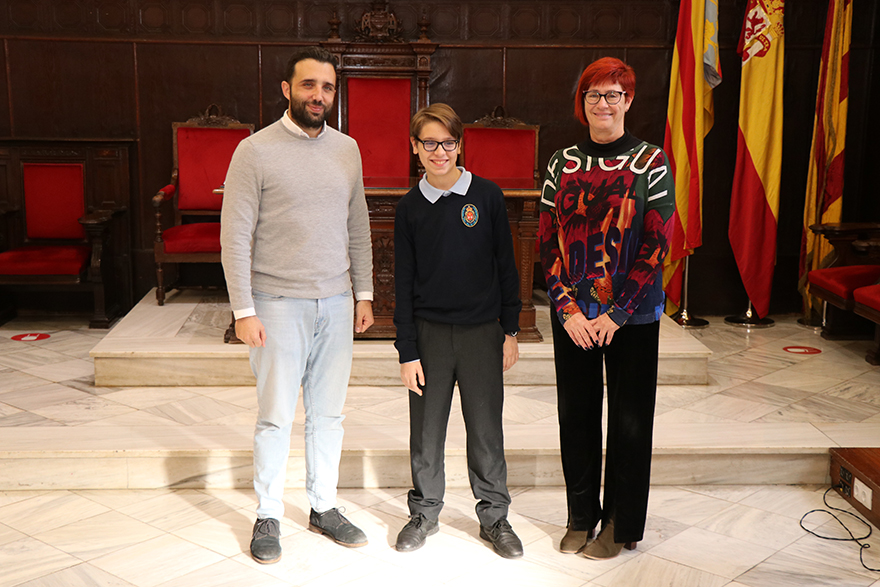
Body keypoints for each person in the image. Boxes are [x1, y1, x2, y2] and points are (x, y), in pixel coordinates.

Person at [220, 46, 374, 564]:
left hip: (335, 300)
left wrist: (363, 293)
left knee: (328, 415)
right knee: (275, 417)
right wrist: (244, 310)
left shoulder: (347, 149)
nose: (318, 95)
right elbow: (234, 236)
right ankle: (268, 512)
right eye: (309, 85)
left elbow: (358, 226)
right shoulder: (254, 150)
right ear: (287, 89)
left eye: (327, 87)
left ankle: (323, 506)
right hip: (276, 302)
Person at [537, 57, 674, 560]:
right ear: (583, 102)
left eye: (613, 94)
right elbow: (547, 241)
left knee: (630, 421)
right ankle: (580, 516)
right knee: (576, 416)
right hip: (574, 315)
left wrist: (616, 312)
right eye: (594, 94)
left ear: (628, 100)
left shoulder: (651, 162)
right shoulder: (562, 163)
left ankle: (620, 523)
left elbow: (657, 243)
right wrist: (568, 309)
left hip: (631, 316)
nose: (603, 103)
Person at [392, 103, 524, 559]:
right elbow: (403, 283)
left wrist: (511, 330)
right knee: (426, 432)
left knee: (486, 430)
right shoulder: (410, 207)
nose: (440, 151)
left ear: (460, 144)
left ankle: (495, 516)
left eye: (448, 142)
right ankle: (424, 513)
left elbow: (506, 266)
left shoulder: (486, 196)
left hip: (481, 333)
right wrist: (407, 350)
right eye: (429, 143)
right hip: (428, 335)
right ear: (415, 147)